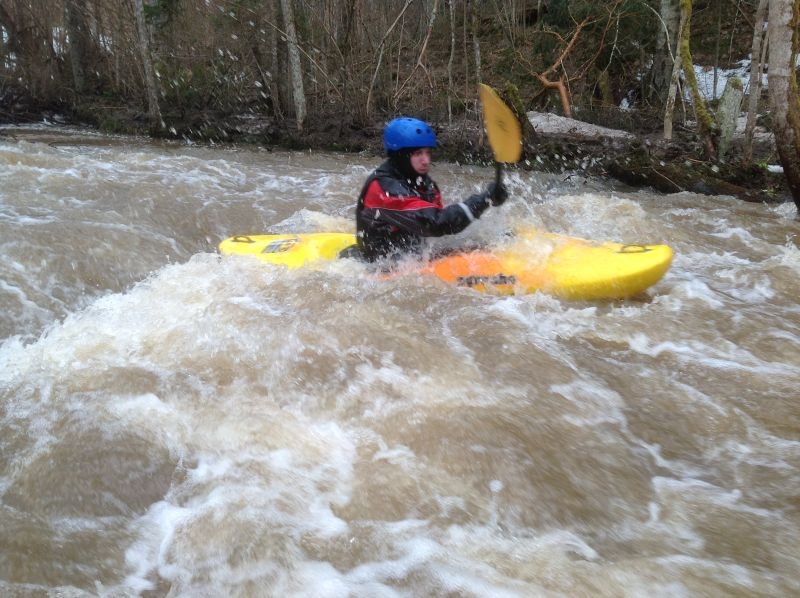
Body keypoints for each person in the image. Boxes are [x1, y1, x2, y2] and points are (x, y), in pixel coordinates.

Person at [355, 116, 507, 262]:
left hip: (410, 253)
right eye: (418, 153)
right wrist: (483, 200)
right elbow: (436, 223)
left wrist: (488, 200)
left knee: (488, 243)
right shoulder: (384, 188)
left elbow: (438, 229)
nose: (426, 160)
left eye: (427, 152)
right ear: (399, 155)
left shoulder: (425, 184)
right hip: (380, 262)